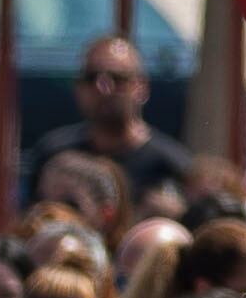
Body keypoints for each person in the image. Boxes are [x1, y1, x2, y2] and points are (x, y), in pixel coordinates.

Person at [37, 34, 197, 206]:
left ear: (141, 87)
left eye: (117, 78)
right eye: (91, 77)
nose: (103, 88)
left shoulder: (171, 165)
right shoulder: (54, 153)